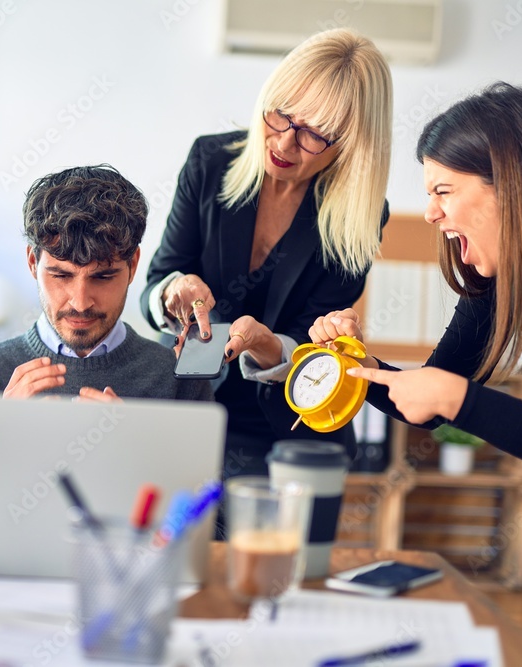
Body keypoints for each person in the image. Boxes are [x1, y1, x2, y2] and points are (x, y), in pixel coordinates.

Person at [310, 82, 522, 666]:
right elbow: (422, 395)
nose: (429, 212)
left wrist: (456, 397)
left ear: (512, 184)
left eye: (443, 190)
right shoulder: (499, 276)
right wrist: (360, 367)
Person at [141, 28, 391, 477]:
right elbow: (159, 277)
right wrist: (172, 290)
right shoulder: (210, 161)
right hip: (187, 400)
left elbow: (313, 337)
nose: (283, 143)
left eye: (313, 134)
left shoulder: (360, 215)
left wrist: (267, 348)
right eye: (280, 115)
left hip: (282, 418)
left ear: (351, 143)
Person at [0, 165, 212, 403]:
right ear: (33, 262)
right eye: (61, 276)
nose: (81, 302)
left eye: (102, 277)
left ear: (133, 265)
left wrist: (134, 446)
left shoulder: (179, 382)